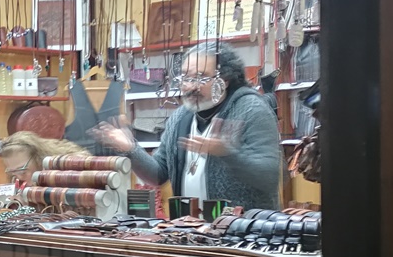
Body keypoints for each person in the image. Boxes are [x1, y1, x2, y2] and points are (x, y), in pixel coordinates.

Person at [93, 42, 282, 210]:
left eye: (201, 78)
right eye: (186, 77)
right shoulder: (180, 118)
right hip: (190, 231)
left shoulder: (251, 110)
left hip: (243, 234)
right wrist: (131, 149)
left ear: (224, 81)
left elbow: (269, 177)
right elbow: (158, 174)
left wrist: (228, 154)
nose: (190, 87)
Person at [0, 131, 87, 189]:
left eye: (23, 172)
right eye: (12, 173)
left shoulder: (71, 165)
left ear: (39, 159)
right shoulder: (18, 178)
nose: (19, 178)